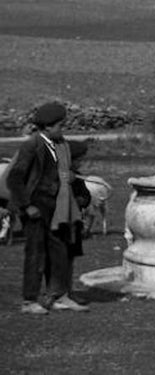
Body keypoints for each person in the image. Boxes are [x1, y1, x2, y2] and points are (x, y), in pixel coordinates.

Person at [6, 102, 90, 315]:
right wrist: (27, 205)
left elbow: (62, 172)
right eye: (60, 125)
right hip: (36, 207)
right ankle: (29, 300)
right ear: (48, 127)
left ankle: (58, 294)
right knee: (36, 254)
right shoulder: (32, 146)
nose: (63, 129)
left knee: (59, 252)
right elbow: (15, 178)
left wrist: (69, 179)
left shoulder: (60, 146)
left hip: (57, 208)